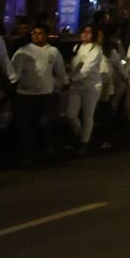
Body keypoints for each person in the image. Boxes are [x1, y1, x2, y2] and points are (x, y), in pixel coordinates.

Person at [10, 25, 68, 161]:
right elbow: (14, 72)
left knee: (45, 123)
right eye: (33, 33)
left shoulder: (53, 51)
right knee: (25, 125)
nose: (36, 36)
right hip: (25, 94)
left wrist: (64, 82)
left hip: (45, 93)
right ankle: (27, 152)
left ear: (46, 35)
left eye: (40, 33)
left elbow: (60, 70)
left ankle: (47, 149)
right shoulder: (22, 51)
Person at [66, 24, 106, 156]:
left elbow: (86, 69)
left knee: (87, 115)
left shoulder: (96, 49)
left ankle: (84, 141)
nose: (85, 34)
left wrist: (72, 79)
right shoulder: (77, 47)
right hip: (76, 86)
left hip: (91, 86)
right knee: (71, 115)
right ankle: (81, 133)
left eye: (89, 32)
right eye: (84, 31)